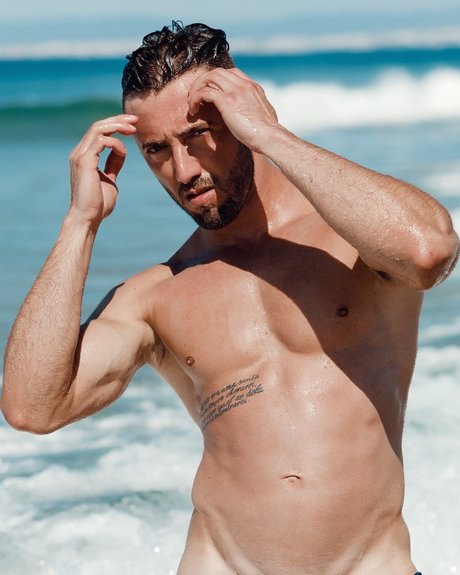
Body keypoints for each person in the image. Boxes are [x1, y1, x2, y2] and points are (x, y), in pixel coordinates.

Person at [1, 21, 458, 575]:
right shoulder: (157, 293)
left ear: (240, 110)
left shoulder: (356, 241)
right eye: (156, 150)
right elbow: (31, 408)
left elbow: (429, 252)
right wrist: (80, 224)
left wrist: (271, 134)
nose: (183, 170)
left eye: (197, 134)